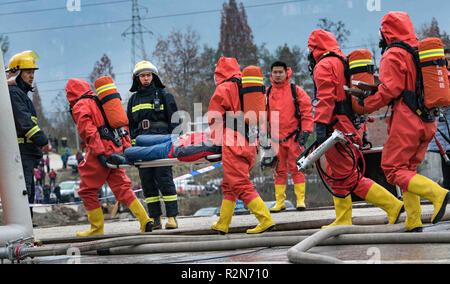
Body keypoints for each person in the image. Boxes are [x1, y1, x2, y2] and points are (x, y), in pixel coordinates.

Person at [355, 12, 449, 232]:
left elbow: (389, 90)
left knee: (393, 169)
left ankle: (438, 194)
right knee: (408, 170)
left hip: (407, 120)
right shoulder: (420, 50)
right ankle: (413, 221)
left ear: (386, 31)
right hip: (427, 119)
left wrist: (363, 104)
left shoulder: (393, 54)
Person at [307, 29, 404, 229]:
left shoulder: (324, 65)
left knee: (348, 176)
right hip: (350, 124)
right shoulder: (343, 61)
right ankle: (343, 219)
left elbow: (325, 98)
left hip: (336, 125)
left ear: (314, 48)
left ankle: (393, 205)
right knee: (335, 172)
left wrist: (320, 125)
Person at [66, 77, 153, 236]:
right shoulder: (98, 101)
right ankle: (145, 219)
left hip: (101, 150)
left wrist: (99, 154)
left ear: (70, 95)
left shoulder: (80, 105)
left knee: (87, 191)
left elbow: (89, 132)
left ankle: (96, 229)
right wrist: (126, 147)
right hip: (116, 148)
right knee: (122, 188)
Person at [208, 57, 275, 234]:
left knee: (239, 183)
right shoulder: (247, 88)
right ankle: (223, 223)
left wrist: (216, 142)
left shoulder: (224, 88)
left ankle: (265, 219)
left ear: (219, 73)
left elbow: (215, 117)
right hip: (250, 141)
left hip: (233, 140)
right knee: (230, 184)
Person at [127, 60, 180, 230]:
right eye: (142, 76)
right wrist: (133, 145)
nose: (146, 78)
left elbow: (175, 122)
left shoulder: (165, 95)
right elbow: (130, 126)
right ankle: (155, 219)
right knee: (147, 183)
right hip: (142, 146)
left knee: (165, 180)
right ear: (137, 79)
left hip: (161, 143)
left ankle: (172, 217)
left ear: (154, 76)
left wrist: (174, 143)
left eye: (148, 75)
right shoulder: (133, 100)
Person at [6, 50, 49, 219]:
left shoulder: (21, 94)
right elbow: (25, 123)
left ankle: (28, 226)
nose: (31, 76)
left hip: (25, 152)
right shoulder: (14, 93)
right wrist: (42, 140)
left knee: (28, 189)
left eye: (33, 72)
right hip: (20, 152)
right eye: (28, 72)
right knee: (25, 190)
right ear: (17, 73)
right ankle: (25, 226)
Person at [266, 61, 314, 212]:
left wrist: (306, 131)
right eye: (275, 72)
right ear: (271, 74)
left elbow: (307, 111)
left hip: (294, 137)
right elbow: (261, 116)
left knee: (297, 168)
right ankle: (280, 202)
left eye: (280, 72)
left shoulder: (296, 90)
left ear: (287, 73)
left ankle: (300, 200)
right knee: (278, 170)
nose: (278, 75)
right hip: (275, 139)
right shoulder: (266, 93)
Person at [427, 48, 450, 190]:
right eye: (445, 59)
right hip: (444, 133)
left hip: (444, 133)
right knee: (447, 168)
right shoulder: (438, 81)